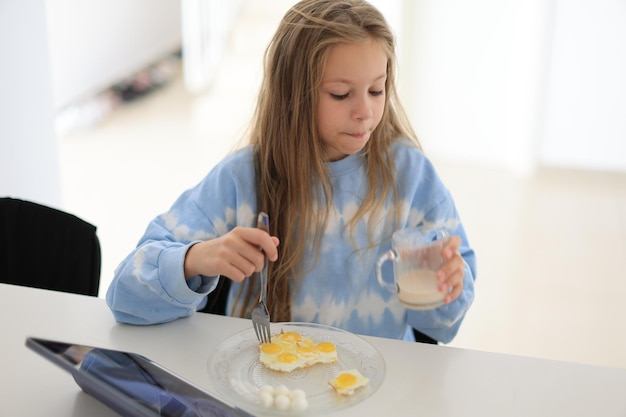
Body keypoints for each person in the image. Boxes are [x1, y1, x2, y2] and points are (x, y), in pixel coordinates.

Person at [106, 0, 476, 344]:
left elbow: (444, 329)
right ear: (293, 95)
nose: (365, 111)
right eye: (341, 95)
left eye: (377, 90)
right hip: (266, 388)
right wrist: (196, 259)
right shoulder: (241, 179)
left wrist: (447, 286)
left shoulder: (412, 178)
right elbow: (124, 296)